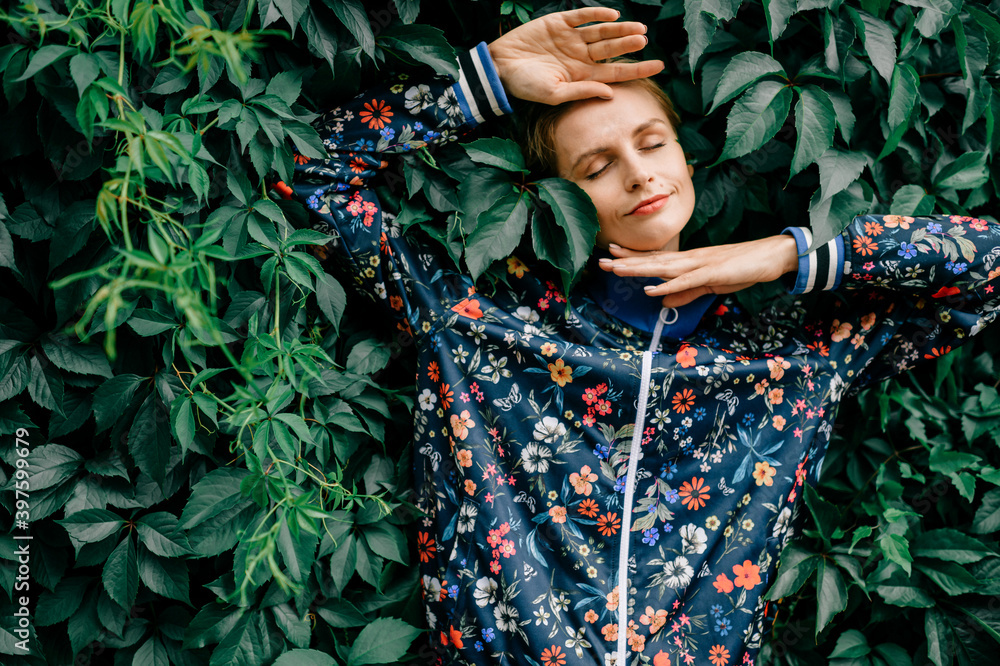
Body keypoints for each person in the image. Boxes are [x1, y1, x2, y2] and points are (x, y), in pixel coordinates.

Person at [273, 7, 1000, 665]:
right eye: (596, 167)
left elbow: (988, 274)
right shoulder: (476, 325)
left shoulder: (794, 360)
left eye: (653, 144)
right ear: (556, 198)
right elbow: (309, 174)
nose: (638, 175)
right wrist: (481, 84)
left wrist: (791, 256)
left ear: (687, 159)